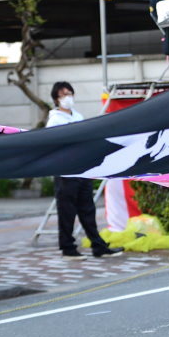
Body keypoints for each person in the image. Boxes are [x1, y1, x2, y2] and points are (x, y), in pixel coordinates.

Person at [47, 82, 121, 258]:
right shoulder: (55, 120)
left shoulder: (77, 116)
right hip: (66, 171)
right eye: (63, 95)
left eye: (70, 94)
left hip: (82, 169)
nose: (68, 98)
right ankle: (67, 247)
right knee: (67, 212)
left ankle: (98, 245)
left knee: (87, 209)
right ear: (56, 99)